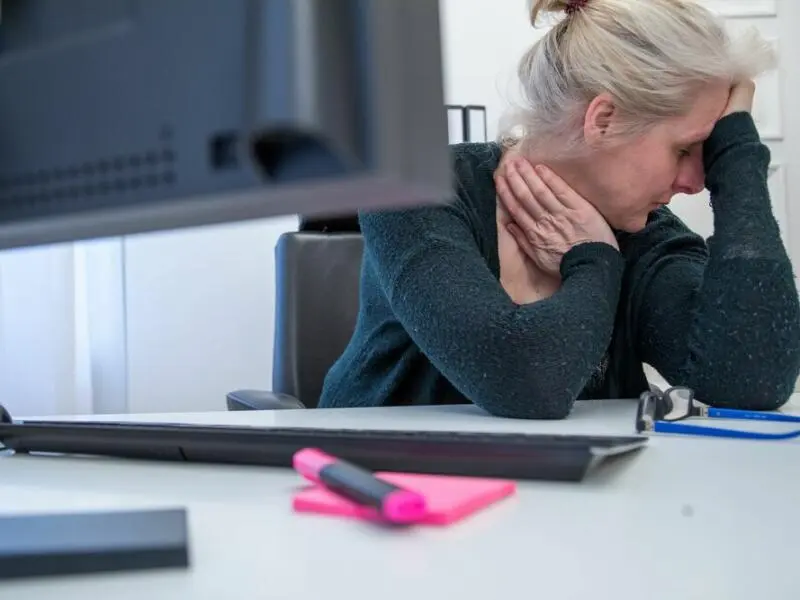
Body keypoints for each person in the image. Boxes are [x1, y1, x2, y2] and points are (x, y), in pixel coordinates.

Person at [317, 0, 800, 418]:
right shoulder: (418, 191)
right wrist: (593, 259)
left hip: (575, 509)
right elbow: (526, 384)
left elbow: (750, 378)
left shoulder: (651, 235)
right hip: (385, 496)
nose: (696, 182)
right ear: (603, 119)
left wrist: (737, 157)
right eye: (683, 151)